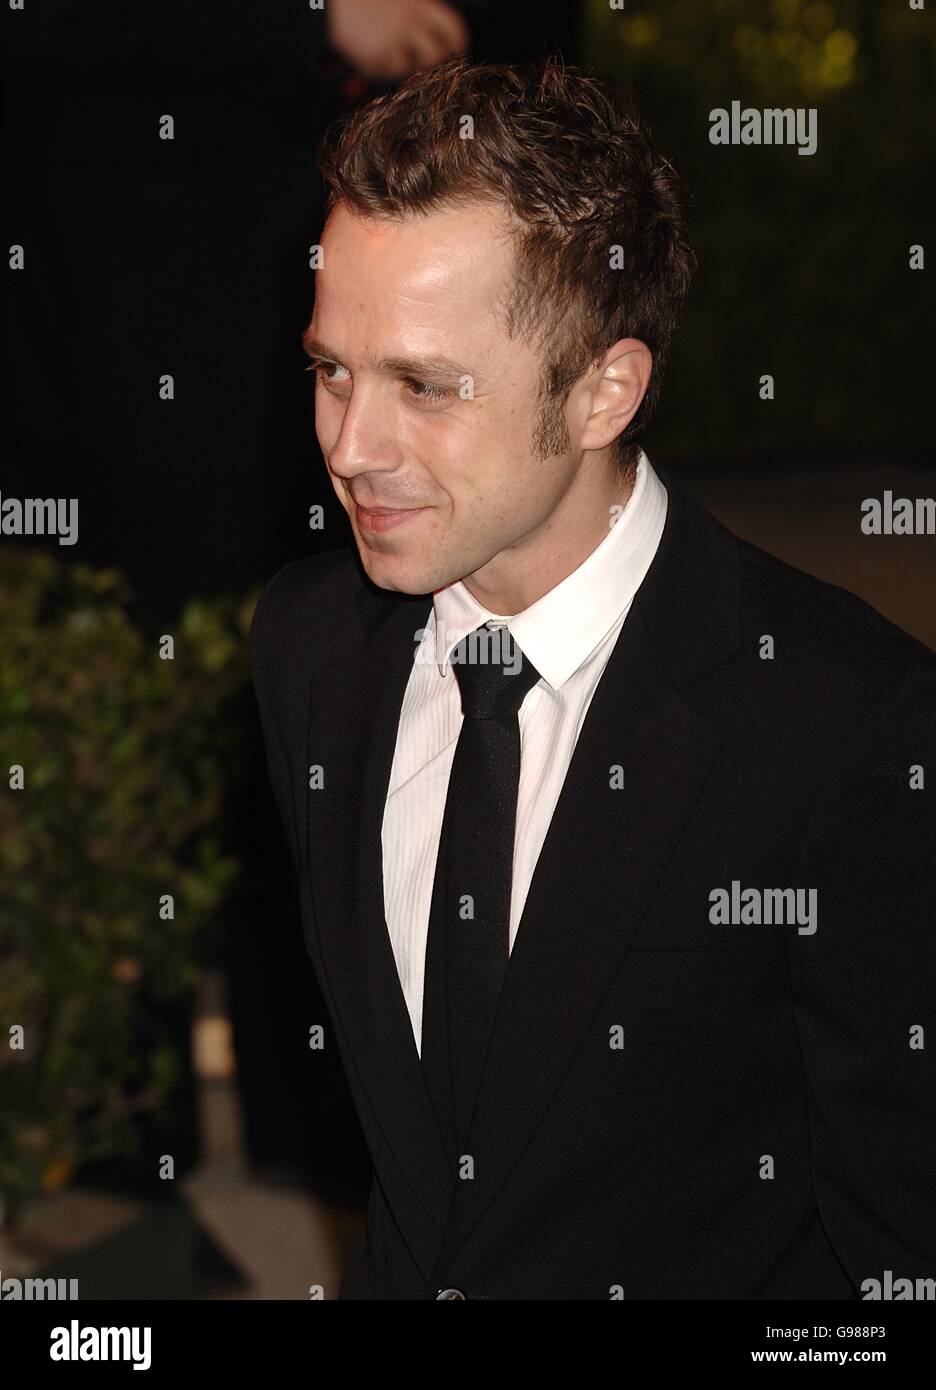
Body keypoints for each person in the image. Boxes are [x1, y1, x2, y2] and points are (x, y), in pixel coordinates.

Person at [249, 56, 936, 1300]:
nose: (352, 447)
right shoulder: (310, 648)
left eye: (424, 386)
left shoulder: (848, 728)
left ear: (605, 392)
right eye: (331, 370)